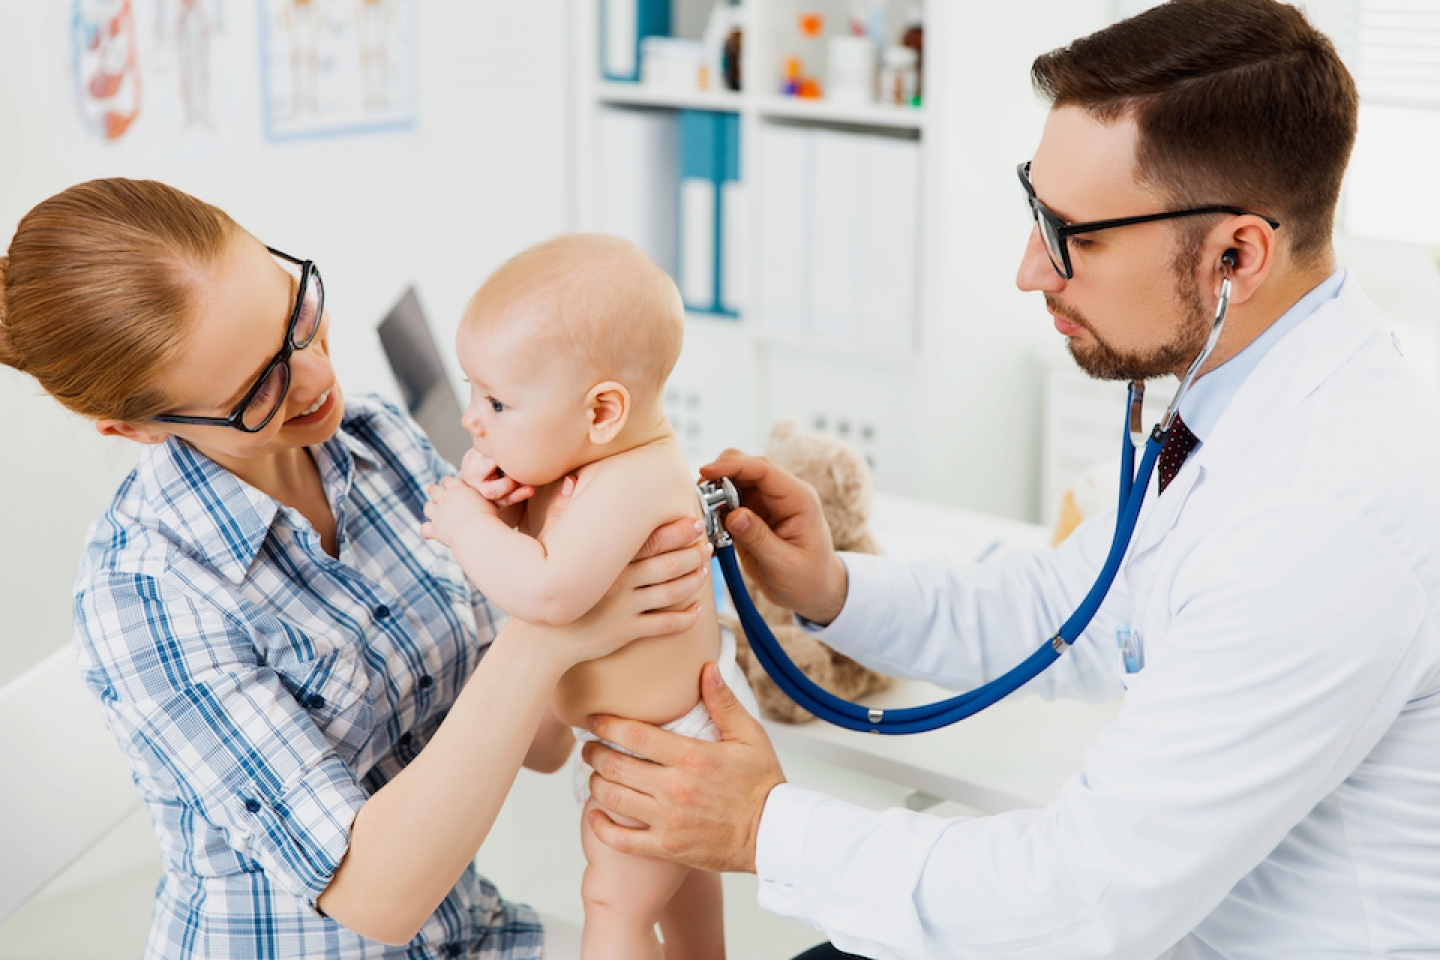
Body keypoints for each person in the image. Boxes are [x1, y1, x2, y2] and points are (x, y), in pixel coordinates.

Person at [577, 1, 1440, 957]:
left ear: (1236, 255)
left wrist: (761, 827)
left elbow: (1080, 901)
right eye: (1037, 207)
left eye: (1075, 235)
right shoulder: (1247, 387)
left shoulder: (1321, 517)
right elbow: (1076, 601)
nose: (1032, 269)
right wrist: (832, 590)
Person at [0, 178, 713, 959]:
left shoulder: (378, 443)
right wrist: (551, 625)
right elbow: (380, 900)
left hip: (469, 936)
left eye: (295, 315)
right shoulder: (146, 593)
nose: (314, 378)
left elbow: (541, 746)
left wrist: (560, 538)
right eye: (257, 389)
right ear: (133, 429)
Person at [421, 234, 755, 960]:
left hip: (665, 750)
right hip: (655, 733)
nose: (473, 420)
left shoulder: (633, 480)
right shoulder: (595, 459)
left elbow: (547, 589)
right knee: (682, 882)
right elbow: (547, 556)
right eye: (472, 390)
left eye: (498, 402)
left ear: (603, 411)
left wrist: (469, 525)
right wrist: (511, 510)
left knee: (614, 901)